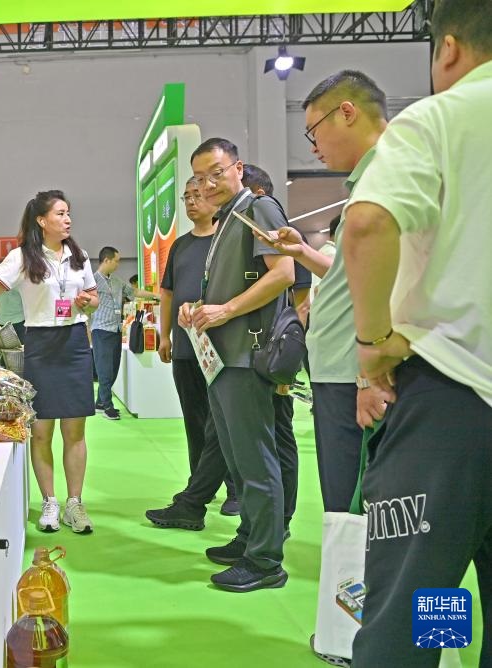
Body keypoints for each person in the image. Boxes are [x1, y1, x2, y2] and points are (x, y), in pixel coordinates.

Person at [341, 1, 492, 663]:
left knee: (422, 599)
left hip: (451, 406)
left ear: (449, 47)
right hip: (455, 401)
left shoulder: (442, 117)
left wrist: (373, 346)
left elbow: (368, 223)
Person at [0, 190, 100, 534]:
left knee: (75, 430)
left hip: (74, 343)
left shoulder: (79, 256)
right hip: (40, 343)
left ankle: (75, 503)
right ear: (42, 220)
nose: (68, 219)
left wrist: (88, 301)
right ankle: (50, 502)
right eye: (60, 213)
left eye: (68, 213)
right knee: (41, 431)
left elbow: (94, 297)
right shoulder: (22, 257)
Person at [269, 71, 388, 523]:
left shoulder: (385, 178)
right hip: (341, 370)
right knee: (348, 500)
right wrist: (302, 251)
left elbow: (386, 281)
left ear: (348, 112)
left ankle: (359, 572)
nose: (313, 147)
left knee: (353, 506)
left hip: (351, 373)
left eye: (314, 131)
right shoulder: (369, 180)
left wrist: (367, 375)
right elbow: (350, 273)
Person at [178, 138, 295, 593]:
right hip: (223, 357)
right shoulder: (228, 218)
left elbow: (283, 274)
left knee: (256, 458)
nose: (207, 185)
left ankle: (265, 559)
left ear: (238, 168)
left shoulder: (259, 209)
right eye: (199, 177)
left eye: (216, 173)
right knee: (237, 456)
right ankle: (250, 538)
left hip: (247, 354)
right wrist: (199, 309)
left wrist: (225, 311)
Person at [145, 179, 238, 530]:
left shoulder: (225, 241)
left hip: (220, 347)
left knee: (222, 423)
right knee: (194, 420)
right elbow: (167, 293)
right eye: (186, 197)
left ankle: (234, 488)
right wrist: (164, 335)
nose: (191, 202)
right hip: (186, 348)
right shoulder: (181, 245)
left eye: (197, 195)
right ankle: (198, 486)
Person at [240, 163, 308, 535]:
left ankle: (282, 518)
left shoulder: (277, 228)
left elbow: (300, 300)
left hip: (277, 350)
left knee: (279, 434)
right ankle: (263, 521)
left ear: (258, 193)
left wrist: (287, 354)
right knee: (263, 438)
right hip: (263, 349)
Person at [92, 246, 157, 420]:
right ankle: (108, 406)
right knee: (104, 370)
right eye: (116, 261)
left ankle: (100, 402)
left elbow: (134, 292)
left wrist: (156, 296)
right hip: (101, 330)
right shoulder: (92, 281)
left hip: (116, 330)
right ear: (106, 260)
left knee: (114, 368)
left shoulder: (117, 281)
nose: (118, 264)